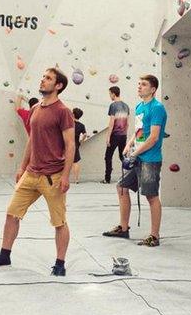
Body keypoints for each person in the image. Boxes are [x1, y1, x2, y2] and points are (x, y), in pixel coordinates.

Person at [0, 68, 75, 276]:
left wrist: (66, 176)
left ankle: (60, 264)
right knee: (12, 213)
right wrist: (22, 167)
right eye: (43, 77)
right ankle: (4, 255)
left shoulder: (63, 111)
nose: (43, 81)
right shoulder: (35, 109)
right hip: (31, 174)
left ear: (58, 86)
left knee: (59, 222)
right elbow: (32, 140)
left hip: (53, 177)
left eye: (48, 78)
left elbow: (70, 145)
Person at [102, 75, 167, 247]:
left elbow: (153, 138)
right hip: (137, 155)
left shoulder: (157, 108)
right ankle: (123, 228)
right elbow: (139, 131)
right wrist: (129, 144)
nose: (139, 87)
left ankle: (154, 236)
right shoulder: (139, 107)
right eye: (139, 84)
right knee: (121, 187)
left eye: (143, 84)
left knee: (151, 196)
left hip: (150, 159)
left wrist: (135, 153)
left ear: (153, 89)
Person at [102, 86, 130, 184]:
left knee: (108, 157)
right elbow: (127, 123)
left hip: (114, 135)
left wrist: (108, 137)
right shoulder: (126, 106)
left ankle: (107, 178)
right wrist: (125, 133)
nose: (110, 96)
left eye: (110, 94)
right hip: (123, 135)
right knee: (123, 157)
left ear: (113, 94)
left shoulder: (113, 106)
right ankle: (129, 177)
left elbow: (111, 123)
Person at [70, 107, 87, 183]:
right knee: (75, 162)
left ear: (73, 114)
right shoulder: (81, 125)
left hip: (66, 144)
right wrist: (81, 141)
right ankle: (76, 180)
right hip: (75, 144)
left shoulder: (68, 123)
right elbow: (85, 134)